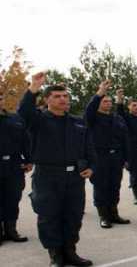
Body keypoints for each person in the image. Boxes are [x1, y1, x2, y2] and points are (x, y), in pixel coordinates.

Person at [18, 72, 95, 266]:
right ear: (47, 100)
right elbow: (24, 112)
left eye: (65, 96)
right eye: (57, 96)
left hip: (74, 177)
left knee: (73, 215)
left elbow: (88, 147)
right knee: (49, 216)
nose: (63, 99)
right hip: (47, 176)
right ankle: (55, 255)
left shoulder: (77, 122)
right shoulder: (38, 120)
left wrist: (92, 167)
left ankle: (70, 251)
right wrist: (33, 88)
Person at [85, 80, 130, 229]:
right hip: (99, 157)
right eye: (105, 101)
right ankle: (103, 215)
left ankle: (114, 213)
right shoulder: (93, 118)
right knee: (101, 187)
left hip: (116, 158)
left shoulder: (117, 118)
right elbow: (89, 109)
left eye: (110, 101)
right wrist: (100, 92)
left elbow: (124, 139)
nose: (108, 103)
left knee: (114, 186)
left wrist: (125, 158)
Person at [0, 88, 32, 246]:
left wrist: (29, 160)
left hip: (13, 164)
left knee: (13, 198)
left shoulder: (15, 119)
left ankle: (11, 230)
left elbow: (25, 141)